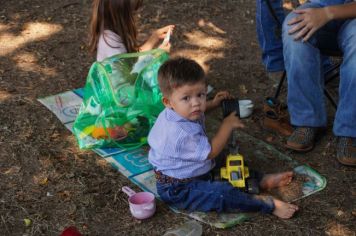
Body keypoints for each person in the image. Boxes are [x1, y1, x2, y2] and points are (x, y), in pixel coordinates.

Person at [148, 57, 299, 219]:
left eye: (200, 95)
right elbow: (210, 152)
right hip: (178, 188)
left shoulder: (181, 111)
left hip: (191, 166)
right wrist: (226, 126)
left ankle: (260, 180)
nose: (196, 103)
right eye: (186, 98)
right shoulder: (180, 131)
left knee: (229, 159)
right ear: (168, 102)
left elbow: (200, 112)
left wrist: (214, 103)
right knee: (221, 194)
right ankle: (268, 204)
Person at [282, 0, 356, 166]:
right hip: (320, 6)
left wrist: (327, 14)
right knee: (292, 27)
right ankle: (307, 120)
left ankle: (350, 131)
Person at [88, 0, 174, 61]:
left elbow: (133, 59)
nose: (136, 16)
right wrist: (157, 55)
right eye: (132, 13)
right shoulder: (111, 44)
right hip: (120, 86)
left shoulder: (111, 34)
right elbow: (131, 76)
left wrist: (154, 38)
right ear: (121, 16)